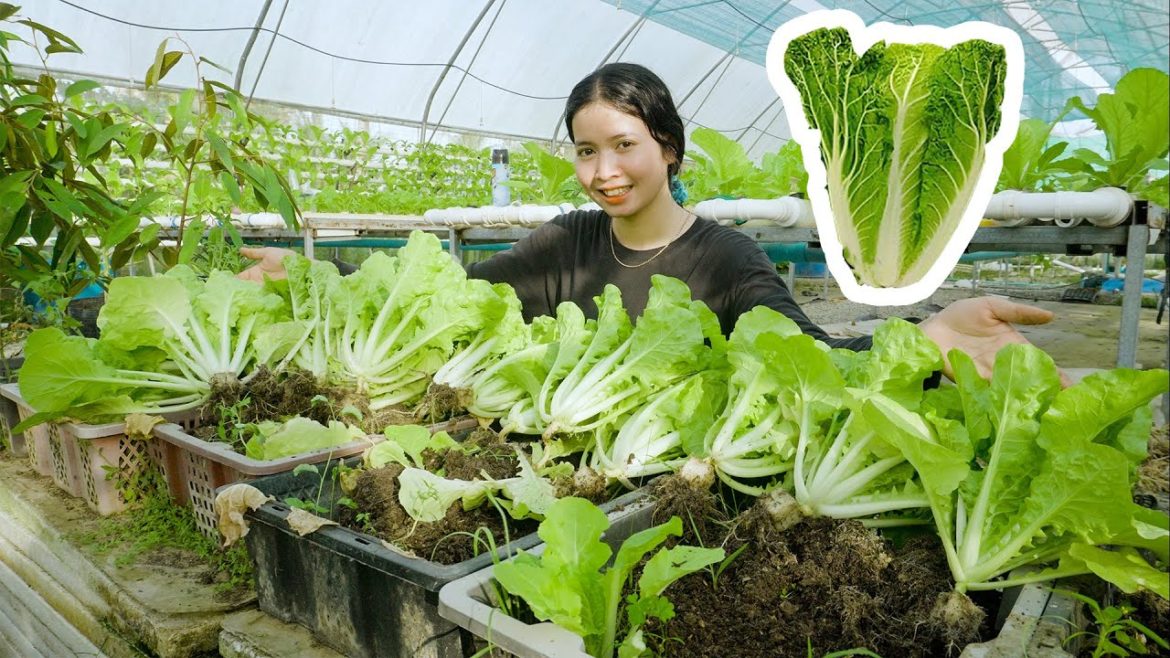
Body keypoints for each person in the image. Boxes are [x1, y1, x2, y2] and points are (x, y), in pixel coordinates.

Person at [240, 63, 1064, 383]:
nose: (603, 171)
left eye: (624, 146)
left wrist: (924, 336)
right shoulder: (567, 243)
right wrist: (317, 272)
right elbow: (447, 286)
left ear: (668, 148)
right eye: (585, 151)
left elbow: (806, 350)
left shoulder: (724, 258)